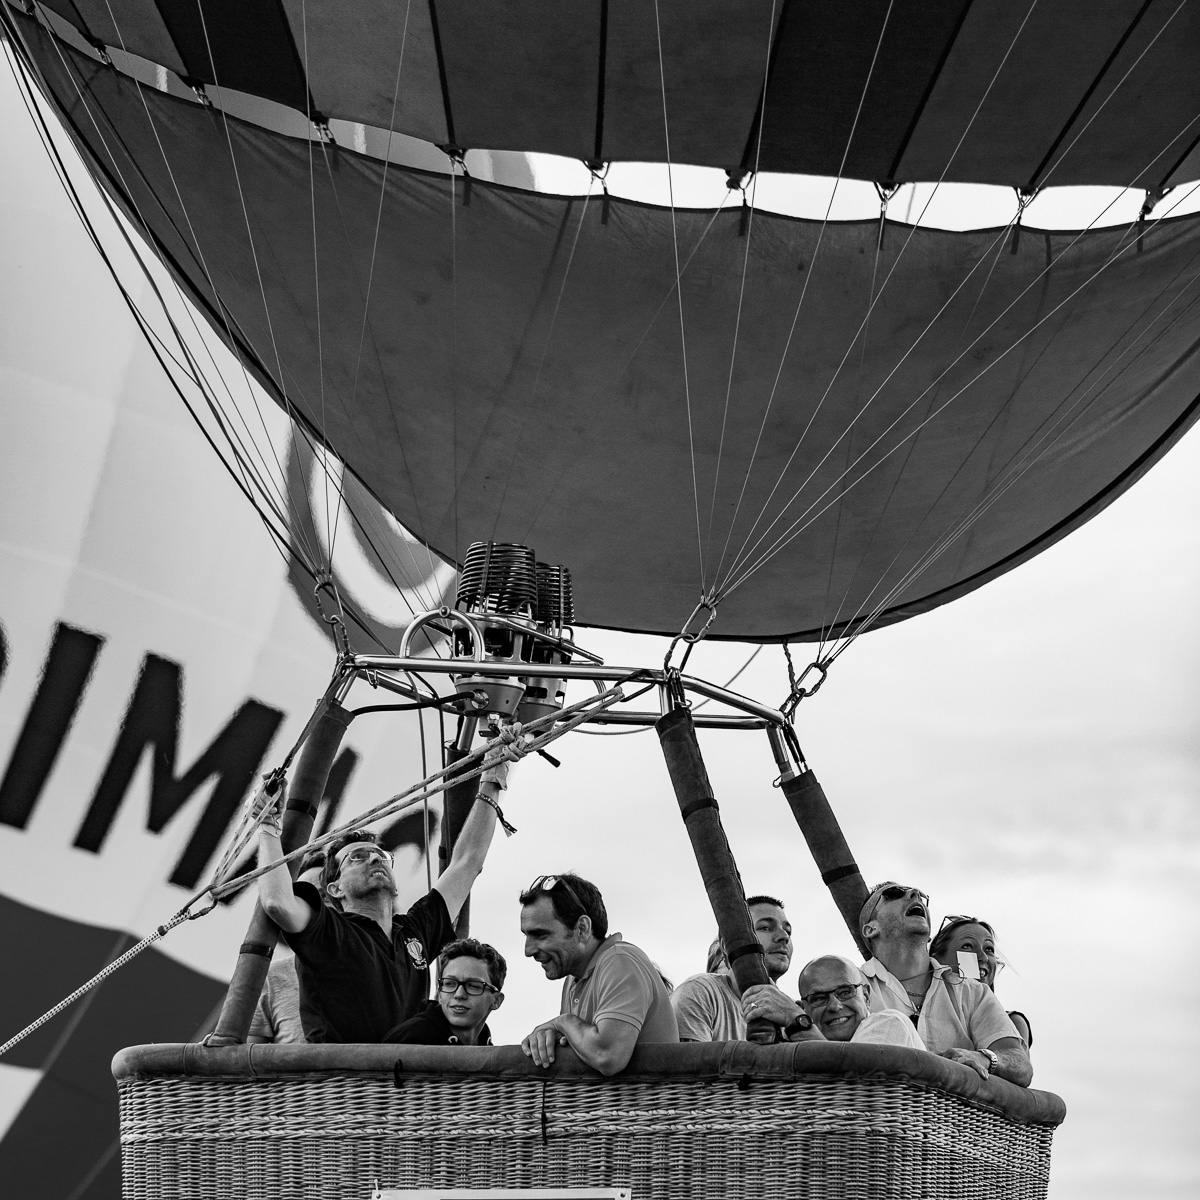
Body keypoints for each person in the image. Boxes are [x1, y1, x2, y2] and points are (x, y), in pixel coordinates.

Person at [254, 753, 512, 1043]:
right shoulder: (330, 932)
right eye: (357, 858)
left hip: (404, 1083)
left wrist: (493, 777)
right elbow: (277, 902)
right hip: (348, 1083)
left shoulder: (414, 932)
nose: (374, 860)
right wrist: (268, 829)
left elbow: (467, 863)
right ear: (335, 889)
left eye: (380, 856)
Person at [858, 882, 1032, 1086]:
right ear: (871, 929)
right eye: (893, 894)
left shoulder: (975, 994)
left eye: (921, 896)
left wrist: (984, 1059)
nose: (915, 894)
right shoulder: (851, 986)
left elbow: (1021, 1065)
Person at [519, 873, 678, 1075]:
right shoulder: (572, 979)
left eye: (540, 935)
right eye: (526, 935)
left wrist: (563, 1022)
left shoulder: (620, 961)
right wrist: (547, 1037)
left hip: (653, 1105)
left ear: (582, 929)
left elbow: (608, 1056)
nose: (528, 950)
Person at [672, 895, 804, 1041]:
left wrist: (797, 1018)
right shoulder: (701, 992)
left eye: (788, 931)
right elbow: (690, 1062)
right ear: (726, 946)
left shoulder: (794, 1011)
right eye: (765, 928)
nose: (783, 936)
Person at [247, 846, 328, 1044]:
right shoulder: (272, 977)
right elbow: (246, 1065)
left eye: (325, 895)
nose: (316, 906)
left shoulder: (394, 968)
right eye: (305, 899)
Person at [931, 915, 1032, 1046]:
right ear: (937, 961)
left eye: (989, 949)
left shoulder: (1012, 1022)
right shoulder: (918, 1013)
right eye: (967, 946)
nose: (983, 957)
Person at [386, 938, 505, 1045]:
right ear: (440, 993)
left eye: (473, 986)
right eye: (449, 984)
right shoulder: (406, 1041)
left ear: (496, 1001)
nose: (459, 995)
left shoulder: (486, 1047)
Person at [796, 955, 924, 1047]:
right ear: (803, 1009)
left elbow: (852, 1078)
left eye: (845, 992)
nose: (835, 1006)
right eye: (819, 998)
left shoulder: (889, 1023)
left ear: (866, 996)